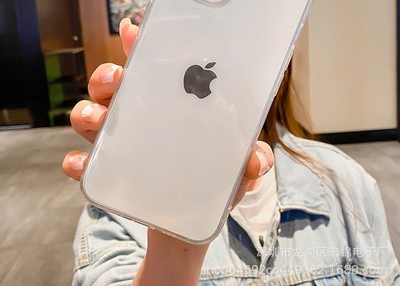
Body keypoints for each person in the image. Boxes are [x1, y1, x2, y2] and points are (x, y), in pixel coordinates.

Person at [63, 18, 400, 285]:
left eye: (243, 35)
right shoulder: (119, 204)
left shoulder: (347, 184)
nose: (212, 67)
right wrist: (176, 238)